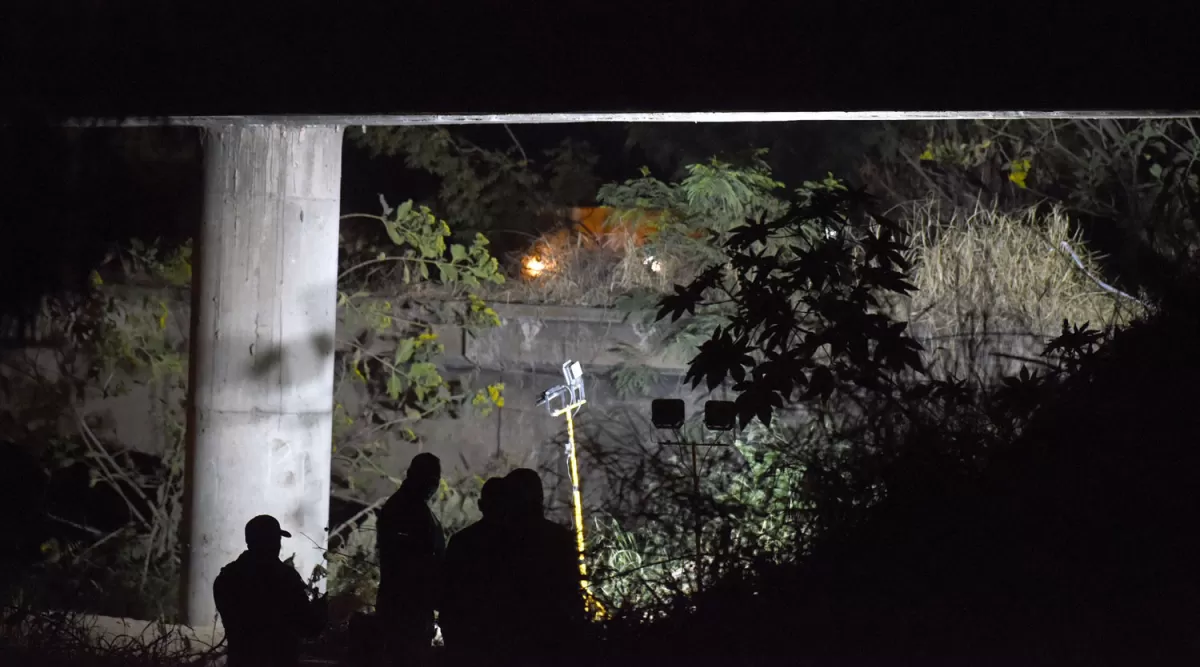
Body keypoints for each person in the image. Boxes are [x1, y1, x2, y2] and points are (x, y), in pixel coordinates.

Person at [213, 514, 327, 667]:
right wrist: (321, 610)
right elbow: (309, 627)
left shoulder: (226, 578)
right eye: (276, 540)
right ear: (273, 543)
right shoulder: (285, 578)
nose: (278, 545)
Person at [501, 468, 586, 658]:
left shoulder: (502, 540)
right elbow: (571, 588)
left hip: (518, 640)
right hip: (554, 636)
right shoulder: (558, 537)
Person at [376, 452, 446, 656]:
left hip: (411, 604)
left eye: (434, 480)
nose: (431, 485)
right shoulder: (403, 509)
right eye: (428, 479)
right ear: (411, 475)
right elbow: (410, 564)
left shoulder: (411, 507)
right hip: (405, 606)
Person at [440, 476, 512, 659]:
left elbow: (446, 592)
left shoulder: (461, 542)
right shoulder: (521, 545)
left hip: (467, 639)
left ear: (480, 505)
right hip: (506, 640)